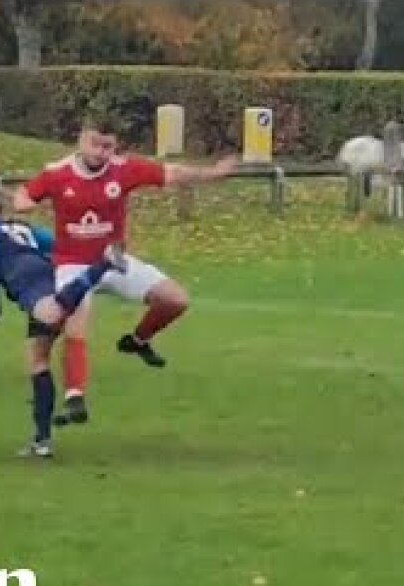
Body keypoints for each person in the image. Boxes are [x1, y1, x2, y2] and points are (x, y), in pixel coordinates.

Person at [13, 116, 237, 425]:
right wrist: (24, 203)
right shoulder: (57, 173)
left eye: (107, 146)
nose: (100, 152)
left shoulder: (124, 169)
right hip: (73, 264)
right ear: (81, 140)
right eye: (95, 144)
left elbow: (172, 173)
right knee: (77, 321)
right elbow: (23, 194)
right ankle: (75, 396)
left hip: (113, 260)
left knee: (176, 300)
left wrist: (212, 173)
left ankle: (138, 340)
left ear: (115, 146)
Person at [0, 185, 127, 458]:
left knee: (50, 314)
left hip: (21, 276)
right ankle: (42, 440)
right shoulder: (20, 225)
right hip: (46, 271)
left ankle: (101, 267)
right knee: (37, 360)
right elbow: (57, 244)